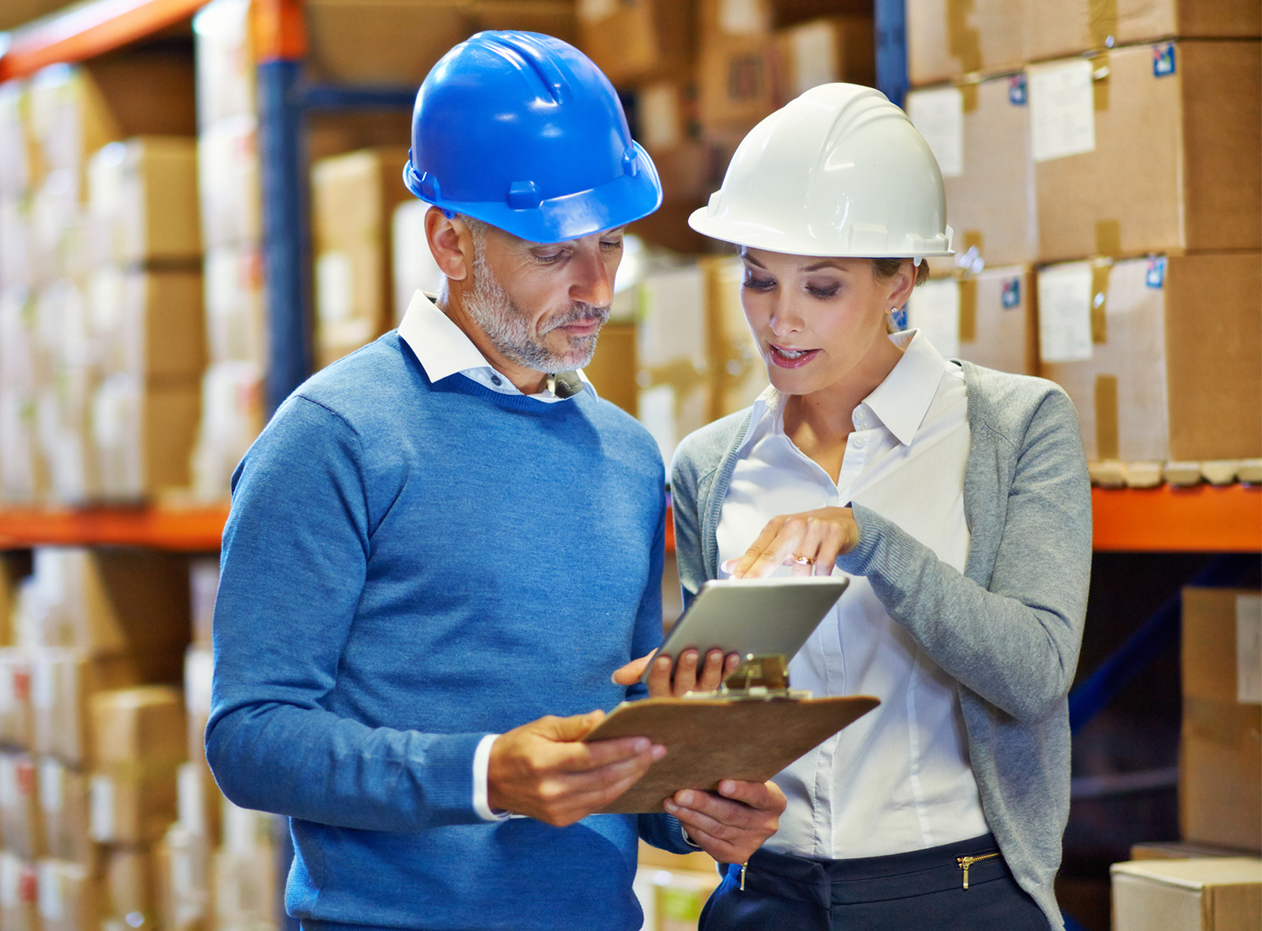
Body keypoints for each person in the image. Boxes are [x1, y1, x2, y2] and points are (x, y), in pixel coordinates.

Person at [205, 32, 784, 931]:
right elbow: (250, 736)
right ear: (451, 240)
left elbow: (616, 719)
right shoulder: (334, 438)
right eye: (555, 252)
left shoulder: (627, 456)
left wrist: (691, 801)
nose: (597, 287)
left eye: (613, 242)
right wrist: (483, 777)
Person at [622, 83, 1092, 931]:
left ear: (900, 280)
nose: (781, 319)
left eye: (824, 287)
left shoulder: (1016, 427)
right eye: (760, 281)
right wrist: (690, 784)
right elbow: (729, 709)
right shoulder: (711, 464)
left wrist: (868, 536)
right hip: (767, 898)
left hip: (958, 896)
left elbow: (1035, 672)